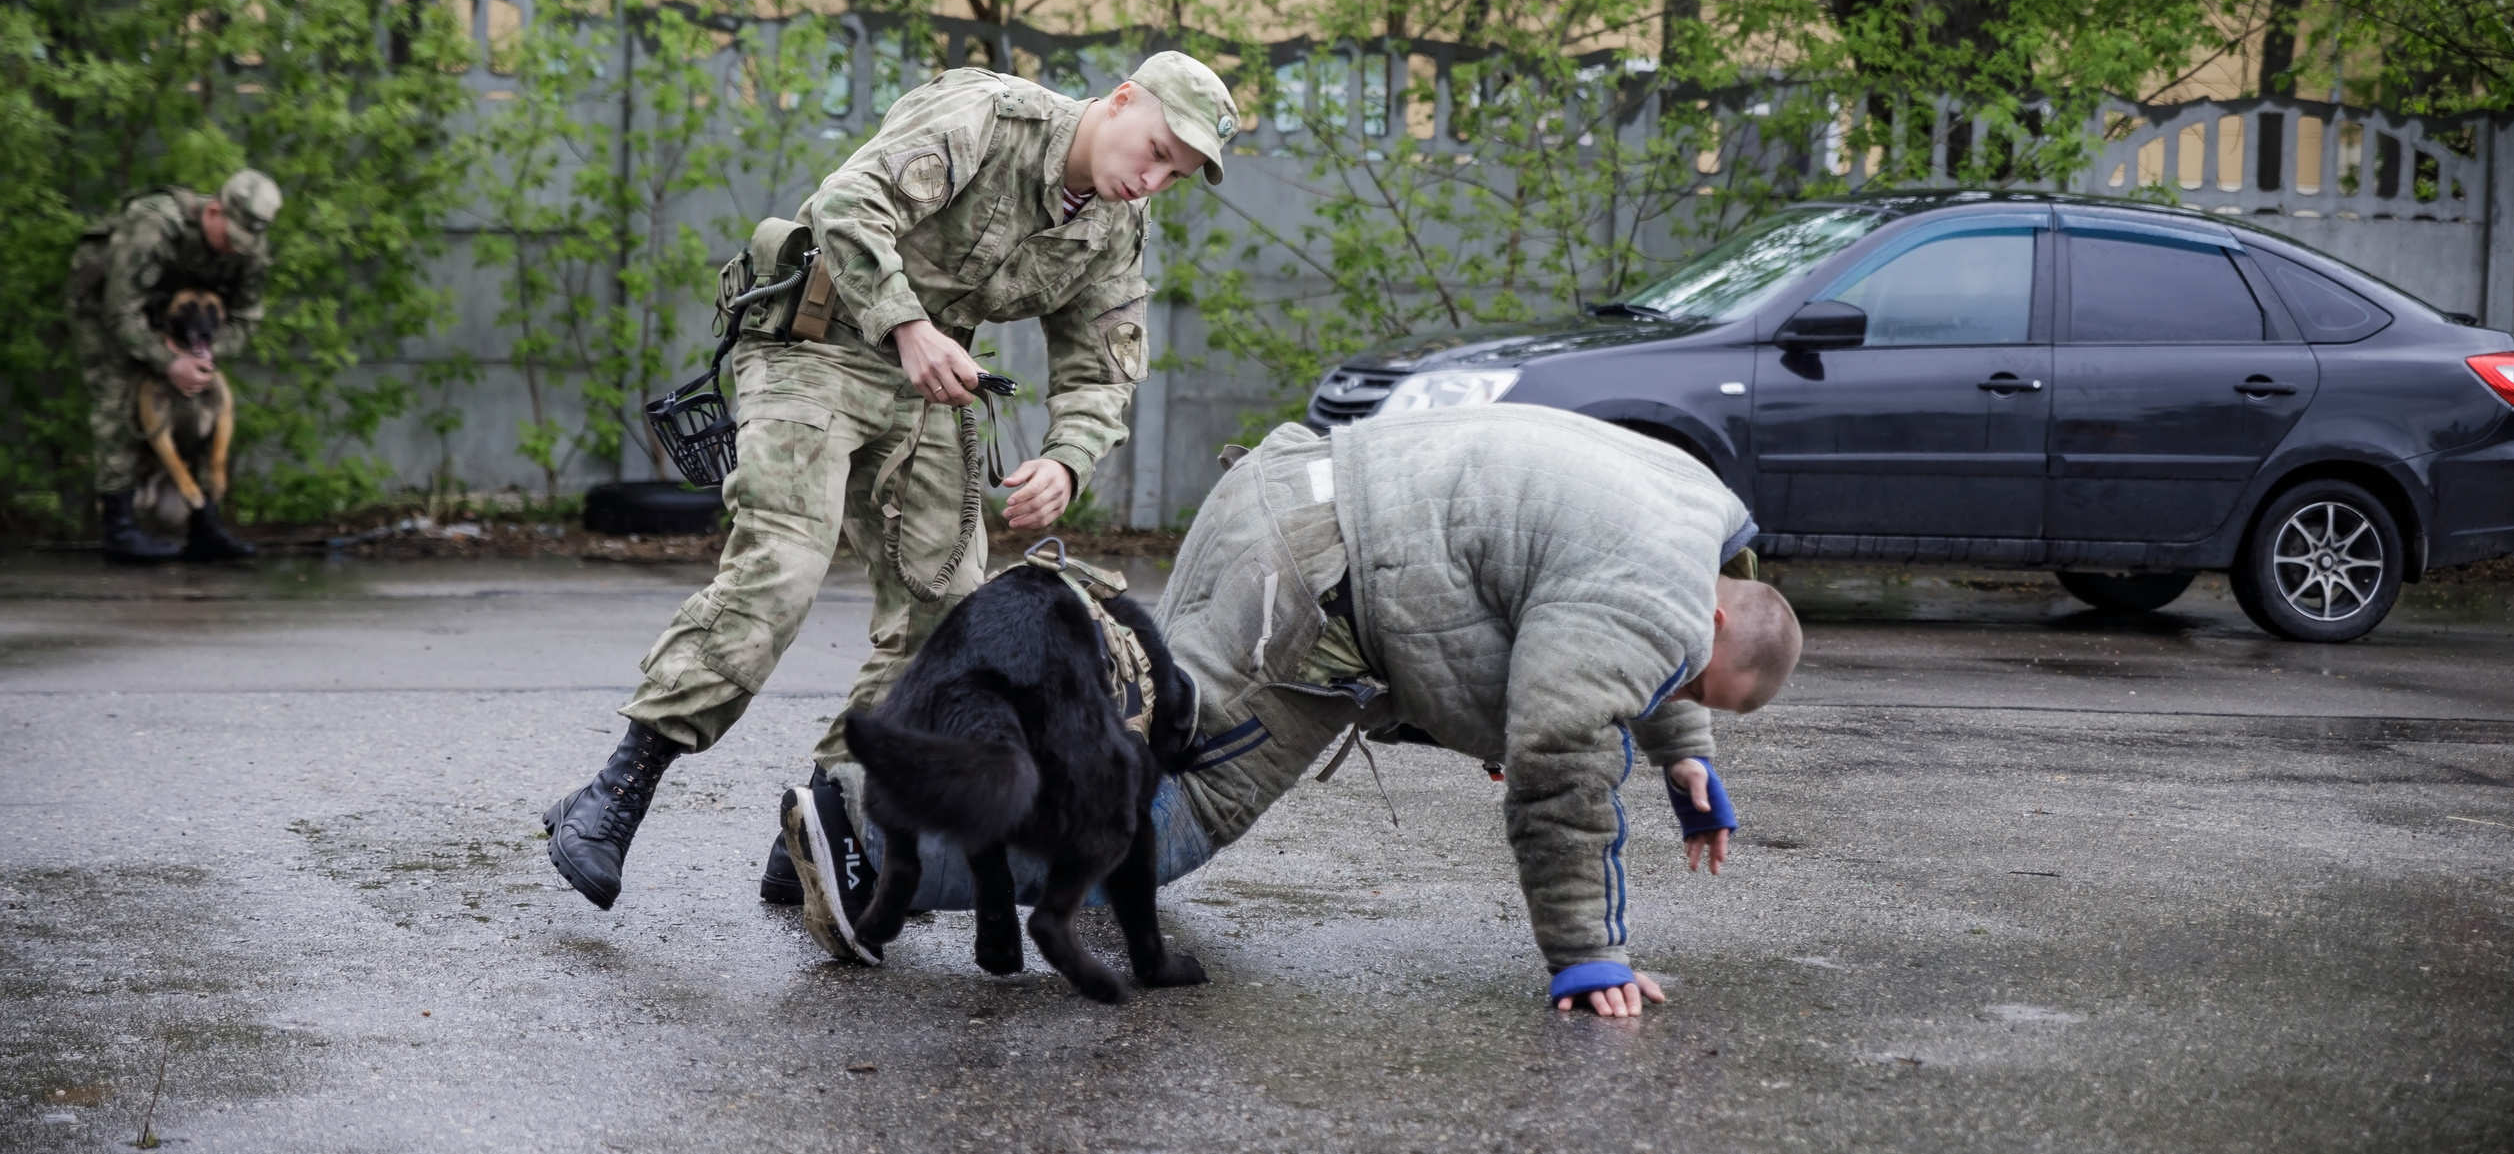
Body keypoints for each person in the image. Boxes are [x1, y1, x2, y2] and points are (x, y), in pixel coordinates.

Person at [541, 52, 1241, 944]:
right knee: (783, 566)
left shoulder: (1112, 225)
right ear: (1122, 99)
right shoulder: (991, 117)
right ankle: (617, 791)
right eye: (1157, 149)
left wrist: (1067, 461)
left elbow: (1101, 368)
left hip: (931, 380)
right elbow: (846, 203)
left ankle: (820, 826)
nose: (1153, 178)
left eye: (1176, 173)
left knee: (945, 615)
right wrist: (908, 324)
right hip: (815, 341)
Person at [1149, 405, 1801, 1017]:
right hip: (1308, 572)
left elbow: (1648, 637)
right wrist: (1589, 956)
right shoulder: (1661, 608)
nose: (1678, 693)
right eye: (1696, 687)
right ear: (1715, 619)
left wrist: (1685, 753)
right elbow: (1560, 769)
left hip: (1286, 484)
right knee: (1190, 809)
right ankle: (1078, 868)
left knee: (1139, 721)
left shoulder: (1695, 514)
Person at [65, 170, 282, 564]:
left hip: (185, 319)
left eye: (244, 243)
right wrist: (168, 361)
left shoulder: (249, 243)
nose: (235, 249)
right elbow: (120, 312)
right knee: (117, 399)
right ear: (213, 211)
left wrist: (207, 354)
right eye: (230, 238)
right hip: (107, 308)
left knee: (202, 403)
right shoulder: (155, 224)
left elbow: (246, 317)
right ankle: (120, 531)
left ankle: (204, 527)